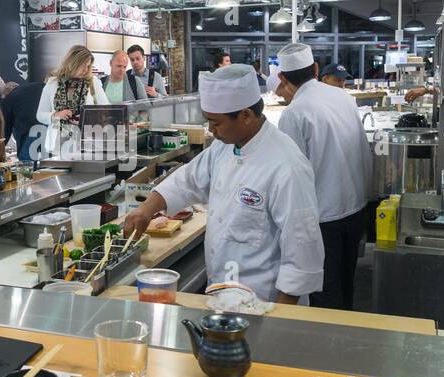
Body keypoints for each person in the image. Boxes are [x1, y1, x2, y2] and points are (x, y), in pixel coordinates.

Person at [123, 65, 324, 303]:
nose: (211, 130)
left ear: (246, 116)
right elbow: (187, 180)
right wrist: (145, 210)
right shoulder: (224, 146)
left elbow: (302, 253)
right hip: (221, 295)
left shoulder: (287, 166)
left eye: (215, 122)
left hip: (263, 304)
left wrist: (279, 321)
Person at [274, 43, 373, 310]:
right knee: (345, 282)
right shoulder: (343, 97)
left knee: (324, 293)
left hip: (322, 220)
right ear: (316, 69)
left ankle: (330, 347)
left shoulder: (294, 113)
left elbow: (291, 175)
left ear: (282, 78)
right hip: (355, 208)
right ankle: (347, 338)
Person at [36, 44, 109, 156]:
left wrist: (87, 118)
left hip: (87, 144)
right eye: (83, 66)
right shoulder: (52, 83)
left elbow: (106, 110)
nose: (85, 70)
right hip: (56, 148)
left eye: (88, 66)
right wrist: (55, 115)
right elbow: (40, 115)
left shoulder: (93, 82)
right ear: (73, 63)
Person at [0, 80, 46, 162]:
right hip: (50, 124)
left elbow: (5, 131)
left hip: (32, 132)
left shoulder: (9, 98)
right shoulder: (36, 86)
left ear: (5, 95)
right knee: (50, 163)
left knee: (26, 166)